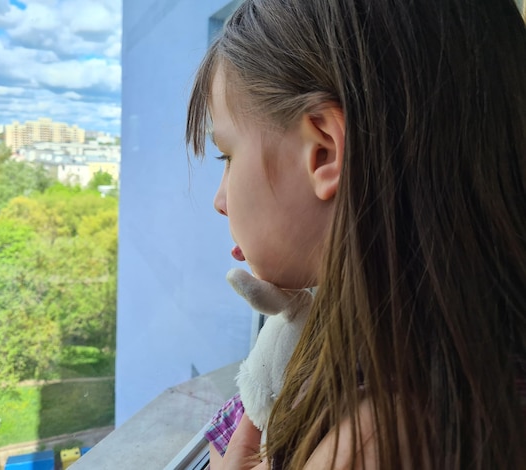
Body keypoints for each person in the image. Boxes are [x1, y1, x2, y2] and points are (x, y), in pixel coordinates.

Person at [186, 0, 526, 468]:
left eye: (227, 156)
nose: (220, 199)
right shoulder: (450, 359)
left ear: (324, 152)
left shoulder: (379, 441)